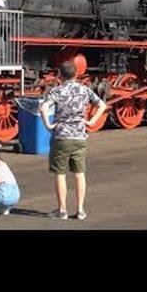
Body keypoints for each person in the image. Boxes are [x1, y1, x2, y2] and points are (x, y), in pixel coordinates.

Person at [39, 61, 107, 220]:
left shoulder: (56, 91)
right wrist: (91, 121)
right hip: (79, 136)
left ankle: (62, 210)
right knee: (79, 173)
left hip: (61, 136)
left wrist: (48, 125)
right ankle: (80, 210)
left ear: (60, 75)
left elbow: (43, 108)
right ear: (76, 74)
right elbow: (102, 105)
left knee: (60, 174)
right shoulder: (85, 90)